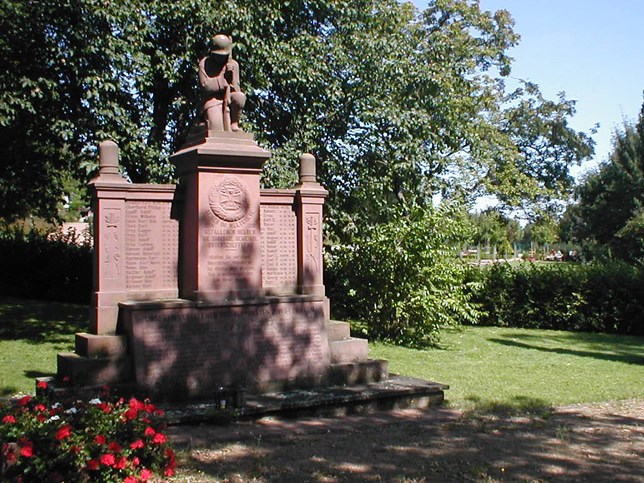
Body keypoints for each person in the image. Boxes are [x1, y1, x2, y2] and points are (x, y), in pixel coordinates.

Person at [199, 34, 246, 132]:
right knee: (216, 128)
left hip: (229, 97)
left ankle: (234, 123)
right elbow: (205, 87)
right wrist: (223, 79)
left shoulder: (233, 64)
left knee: (240, 97)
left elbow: (236, 88)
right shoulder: (204, 63)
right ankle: (201, 124)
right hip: (212, 100)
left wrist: (231, 78)